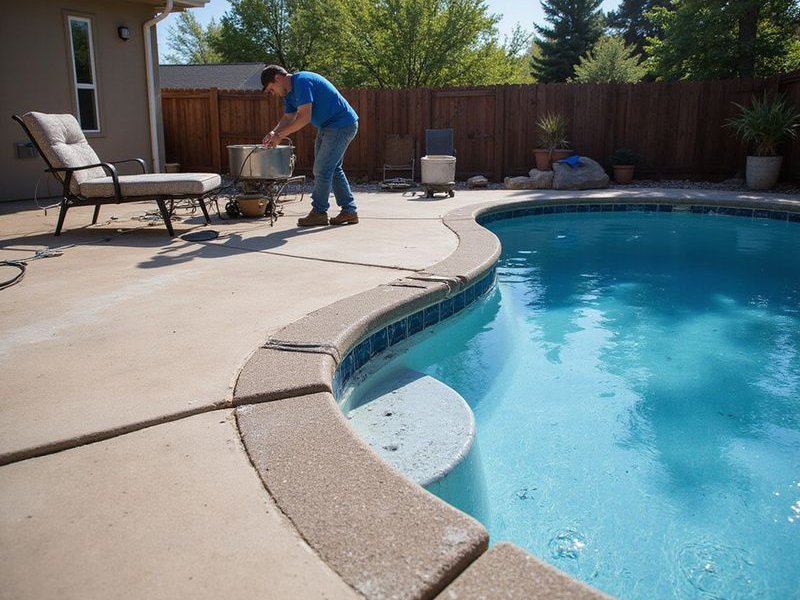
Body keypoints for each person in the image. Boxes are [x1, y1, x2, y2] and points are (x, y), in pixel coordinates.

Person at [261, 65, 360, 227]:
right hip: (327, 127)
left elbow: (304, 117)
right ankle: (349, 211)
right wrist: (273, 132)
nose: (272, 94)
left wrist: (280, 136)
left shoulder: (302, 82)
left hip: (341, 125)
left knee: (322, 169)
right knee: (332, 168)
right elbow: (288, 117)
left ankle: (319, 212)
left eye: (271, 89)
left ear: (277, 78)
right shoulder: (289, 93)